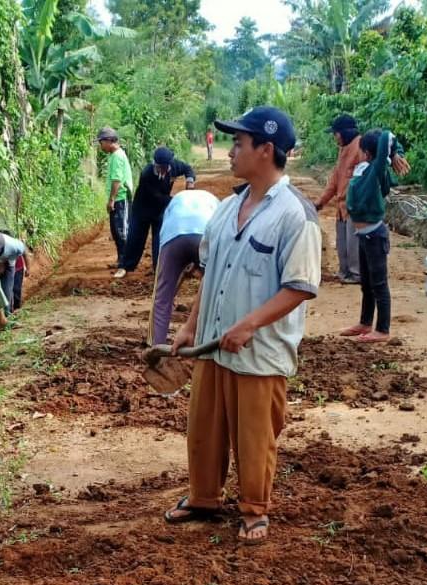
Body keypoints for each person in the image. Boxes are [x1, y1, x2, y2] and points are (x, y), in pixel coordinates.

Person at [163, 107, 322, 545]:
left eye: (239, 143)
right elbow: (210, 273)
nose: (231, 151)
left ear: (266, 150)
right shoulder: (228, 207)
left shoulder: (295, 216)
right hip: (215, 343)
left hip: (259, 352)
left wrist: (250, 325)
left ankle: (255, 510)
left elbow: (301, 287)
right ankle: (203, 498)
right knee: (204, 427)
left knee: (254, 437)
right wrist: (190, 325)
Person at [339, 128, 410, 343]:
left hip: (374, 236)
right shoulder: (362, 169)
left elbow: (388, 134)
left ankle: (382, 329)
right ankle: (365, 322)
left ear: (366, 152)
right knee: (367, 284)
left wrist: (393, 153)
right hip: (363, 236)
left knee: (379, 284)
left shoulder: (375, 169)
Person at [147, 189, 220, 346]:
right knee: (213, 291)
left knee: (162, 297)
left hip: (173, 236)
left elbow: (163, 236)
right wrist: (199, 268)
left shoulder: (174, 203)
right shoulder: (215, 202)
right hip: (204, 234)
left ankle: (156, 347)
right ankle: (206, 345)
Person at [116, 146, 196, 278]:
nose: (160, 170)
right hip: (142, 209)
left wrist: (190, 180)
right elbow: (157, 197)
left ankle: (158, 268)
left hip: (159, 211)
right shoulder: (147, 173)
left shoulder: (175, 166)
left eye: (163, 167)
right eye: (158, 166)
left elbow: (188, 169)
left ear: (169, 165)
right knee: (135, 239)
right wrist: (179, 200)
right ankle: (125, 266)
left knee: (159, 240)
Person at [315, 114, 364, 284]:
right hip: (342, 207)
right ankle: (345, 273)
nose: (335, 138)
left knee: (354, 244)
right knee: (342, 244)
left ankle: (357, 275)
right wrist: (320, 202)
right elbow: (335, 180)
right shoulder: (343, 150)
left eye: (336, 134)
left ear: (344, 133)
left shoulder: (362, 148)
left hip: (356, 207)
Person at [97, 127, 133, 269]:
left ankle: (125, 263)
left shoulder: (117, 156)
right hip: (118, 199)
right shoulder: (114, 155)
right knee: (116, 231)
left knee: (121, 231)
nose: (101, 146)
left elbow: (117, 180)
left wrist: (111, 199)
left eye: (101, 142)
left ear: (109, 141)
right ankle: (121, 260)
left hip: (121, 198)